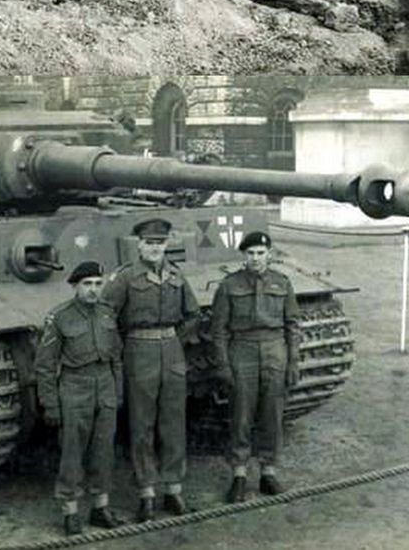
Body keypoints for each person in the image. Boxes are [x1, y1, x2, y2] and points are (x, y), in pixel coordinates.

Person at [101, 218, 200, 521]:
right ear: (139, 245)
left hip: (171, 351)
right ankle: (146, 491)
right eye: (149, 243)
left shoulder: (176, 276)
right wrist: (121, 350)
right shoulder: (125, 278)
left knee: (173, 423)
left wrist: (173, 340)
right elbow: (107, 316)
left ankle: (173, 488)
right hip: (137, 351)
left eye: (160, 243)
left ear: (167, 244)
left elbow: (192, 314)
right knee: (141, 425)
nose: (155, 248)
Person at [210, 231, 300, 504]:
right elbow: (219, 330)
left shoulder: (282, 283)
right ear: (243, 256)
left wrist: (293, 360)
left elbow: (292, 325)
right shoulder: (229, 285)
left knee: (272, 413)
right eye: (250, 253)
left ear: (269, 254)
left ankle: (268, 472)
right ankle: (239, 474)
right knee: (241, 414)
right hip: (243, 350)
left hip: (275, 350)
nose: (256, 258)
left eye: (261, 253)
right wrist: (223, 364)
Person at [35, 260, 123, 535]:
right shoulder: (59, 317)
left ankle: (100, 507)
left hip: (105, 384)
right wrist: (50, 404)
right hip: (75, 386)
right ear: (75, 286)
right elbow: (45, 366)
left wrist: (117, 391)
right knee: (72, 452)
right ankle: (70, 512)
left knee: (103, 450)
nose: (93, 290)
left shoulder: (107, 313)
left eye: (98, 284)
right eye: (87, 284)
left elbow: (116, 357)